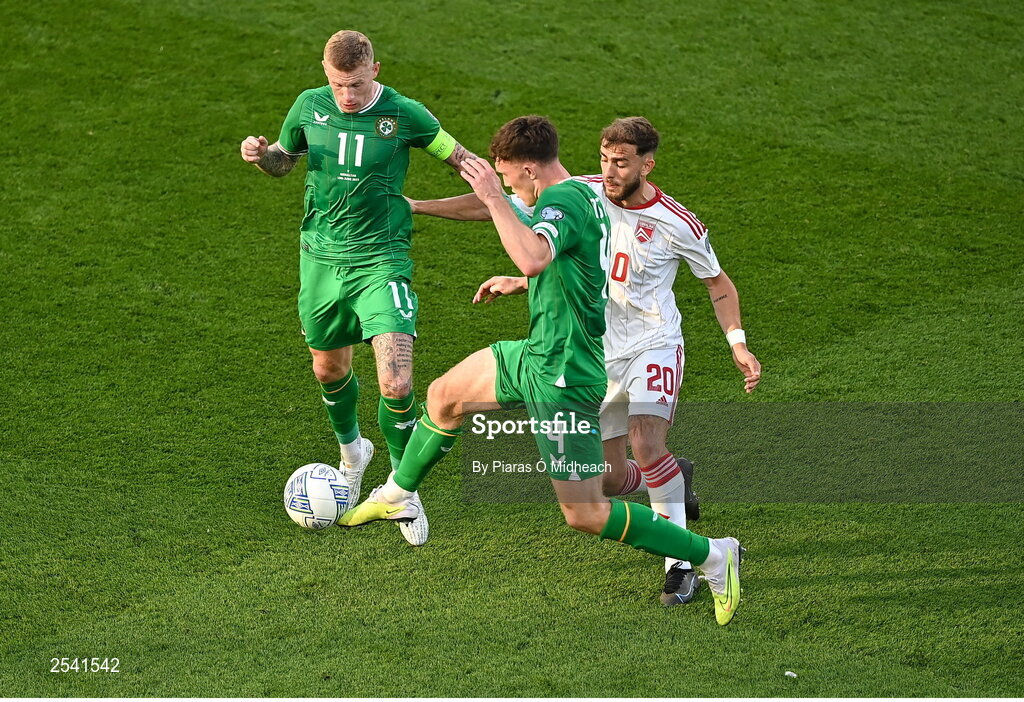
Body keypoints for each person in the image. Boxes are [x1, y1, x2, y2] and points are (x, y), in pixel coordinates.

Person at [341, 116, 744, 625]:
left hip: (567, 375)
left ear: (530, 171)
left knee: (587, 512)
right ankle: (397, 494)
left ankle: (713, 555)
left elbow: (533, 256)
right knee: (444, 395)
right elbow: (527, 236)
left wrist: (493, 201)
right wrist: (431, 206)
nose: (507, 187)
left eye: (509, 178)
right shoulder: (575, 193)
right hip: (536, 353)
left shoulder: (568, 204)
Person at [239, 30, 477, 546]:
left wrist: (514, 187)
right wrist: (263, 156)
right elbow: (285, 160)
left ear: (375, 69)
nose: (346, 95)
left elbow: (459, 158)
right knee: (329, 368)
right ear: (326, 75)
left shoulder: (405, 114)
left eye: (355, 83)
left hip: (380, 260)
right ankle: (353, 455)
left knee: (395, 382)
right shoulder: (308, 106)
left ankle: (403, 495)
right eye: (337, 84)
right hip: (320, 259)